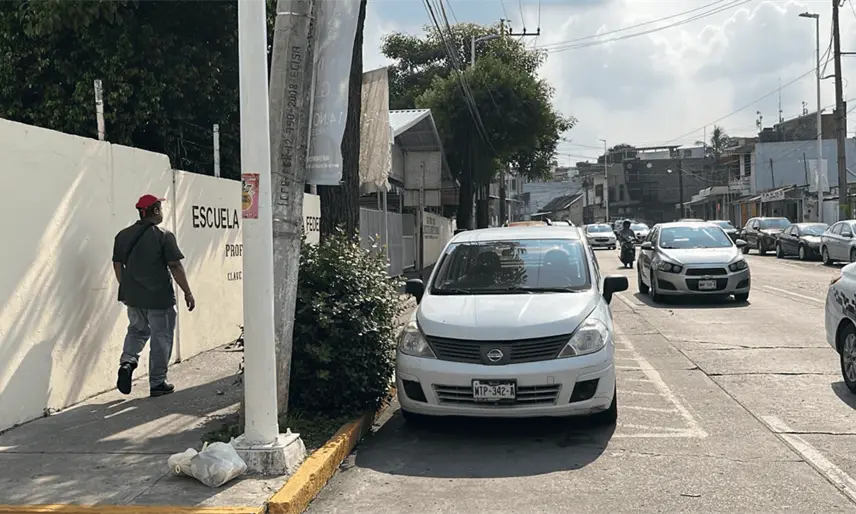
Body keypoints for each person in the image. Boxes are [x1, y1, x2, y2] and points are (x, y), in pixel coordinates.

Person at [111, 194, 195, 397]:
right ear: (156, 211)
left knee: (137, 330)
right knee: (161, 338)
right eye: (161, 208)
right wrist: (188, 292)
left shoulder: (122, 235)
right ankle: (157, 382)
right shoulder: (163, 235)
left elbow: (117, 264)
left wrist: (127, 286)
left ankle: (128, 362)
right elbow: (175, 265)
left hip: (133, 297)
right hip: (159, 298)